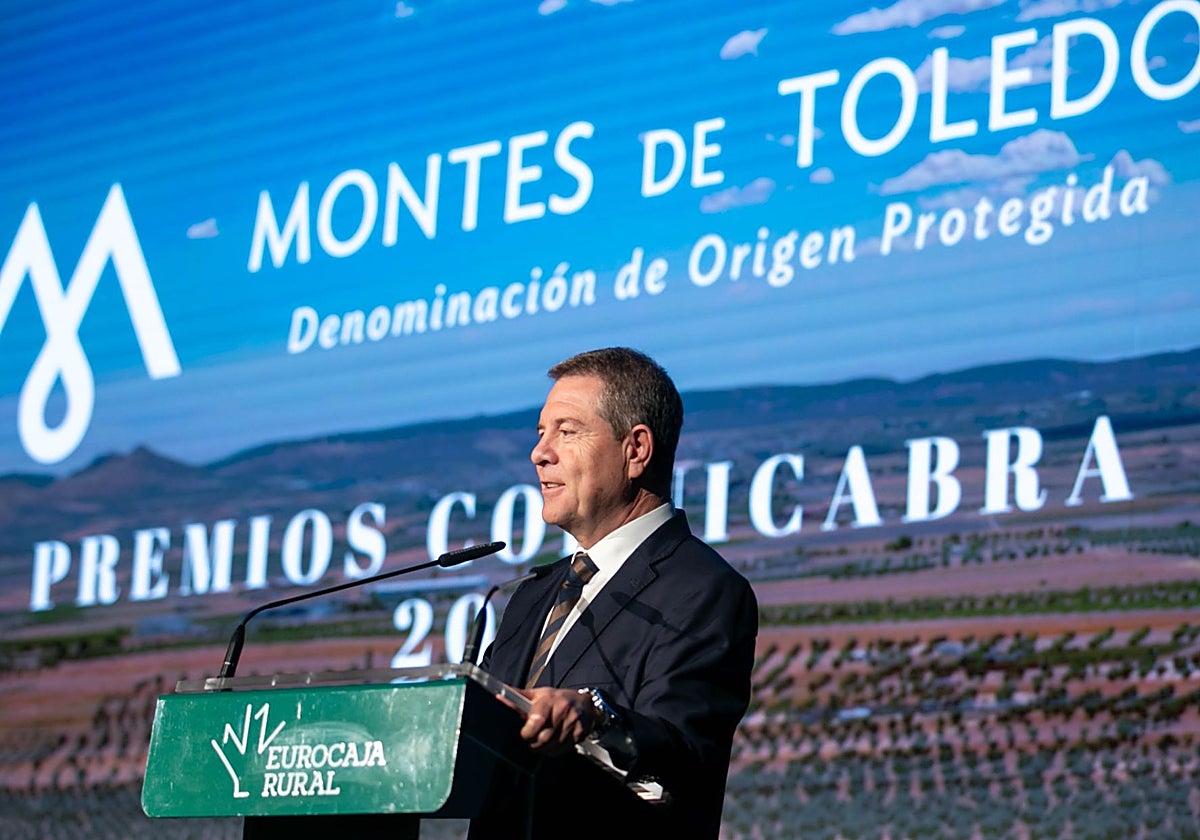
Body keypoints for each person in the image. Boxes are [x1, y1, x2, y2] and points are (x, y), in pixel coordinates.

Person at [469, 347, 758, 839]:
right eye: (541, 433)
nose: (540, 453)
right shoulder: (533, 594)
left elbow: (683, 753)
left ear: (636, 450)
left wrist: (592, 714)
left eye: (566, 431)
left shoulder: (704, 590)